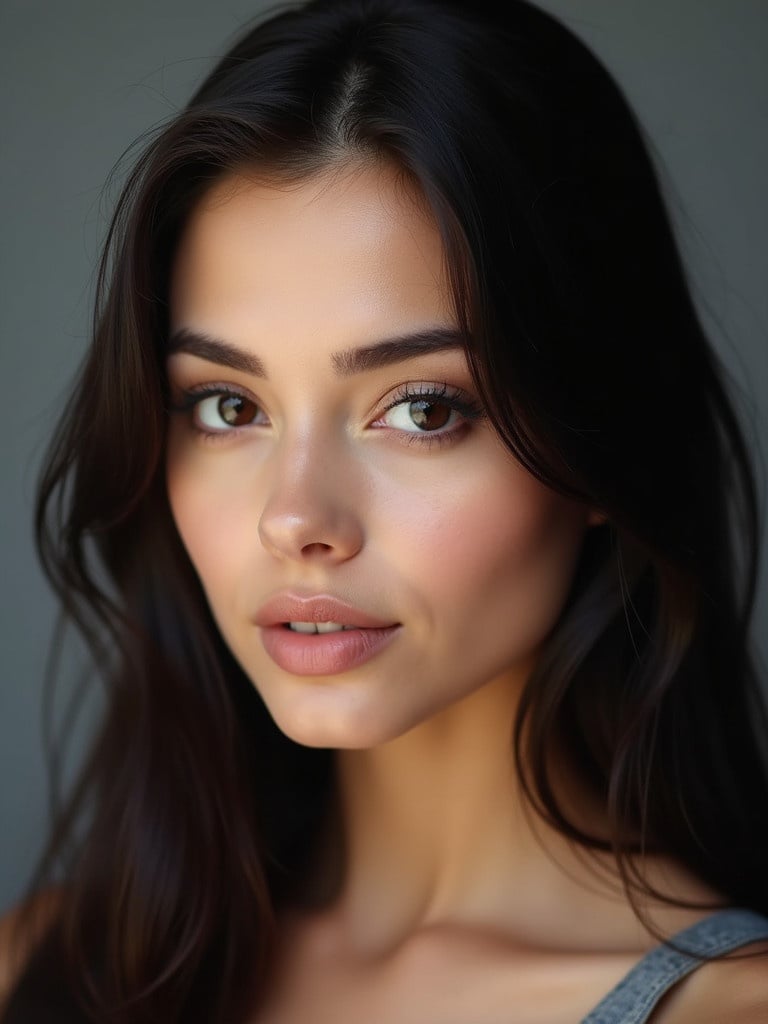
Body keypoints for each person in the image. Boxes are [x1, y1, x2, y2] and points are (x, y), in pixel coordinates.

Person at [2, 0, 767, 1020]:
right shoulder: (45, 967)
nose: (297, 517)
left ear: (597, 448)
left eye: (423, 407)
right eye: (229, 407)